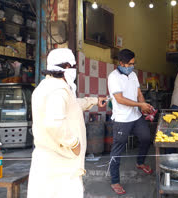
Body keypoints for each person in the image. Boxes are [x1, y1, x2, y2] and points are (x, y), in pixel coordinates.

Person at [27, 48, 106, 198]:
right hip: (60, 165)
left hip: (50, 162)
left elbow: (72, 105)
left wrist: (94, 101)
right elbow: (54, 124)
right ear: (67, 67)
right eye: (74, 66)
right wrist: (74, 144)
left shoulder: (46, 86)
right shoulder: (58, 90)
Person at [108, 49, 153, 195]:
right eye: (129, 64)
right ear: (121, 63)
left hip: (136, 116)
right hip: (122, 119)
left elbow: (139, 93)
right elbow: (120, 99)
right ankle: (115, 181)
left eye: (134, 63)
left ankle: (140, 162)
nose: (132, 66)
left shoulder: (133, 75)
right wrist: (140, 106)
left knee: (146, 137)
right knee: (118, 149)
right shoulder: (113, 77)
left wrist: (145, 106)